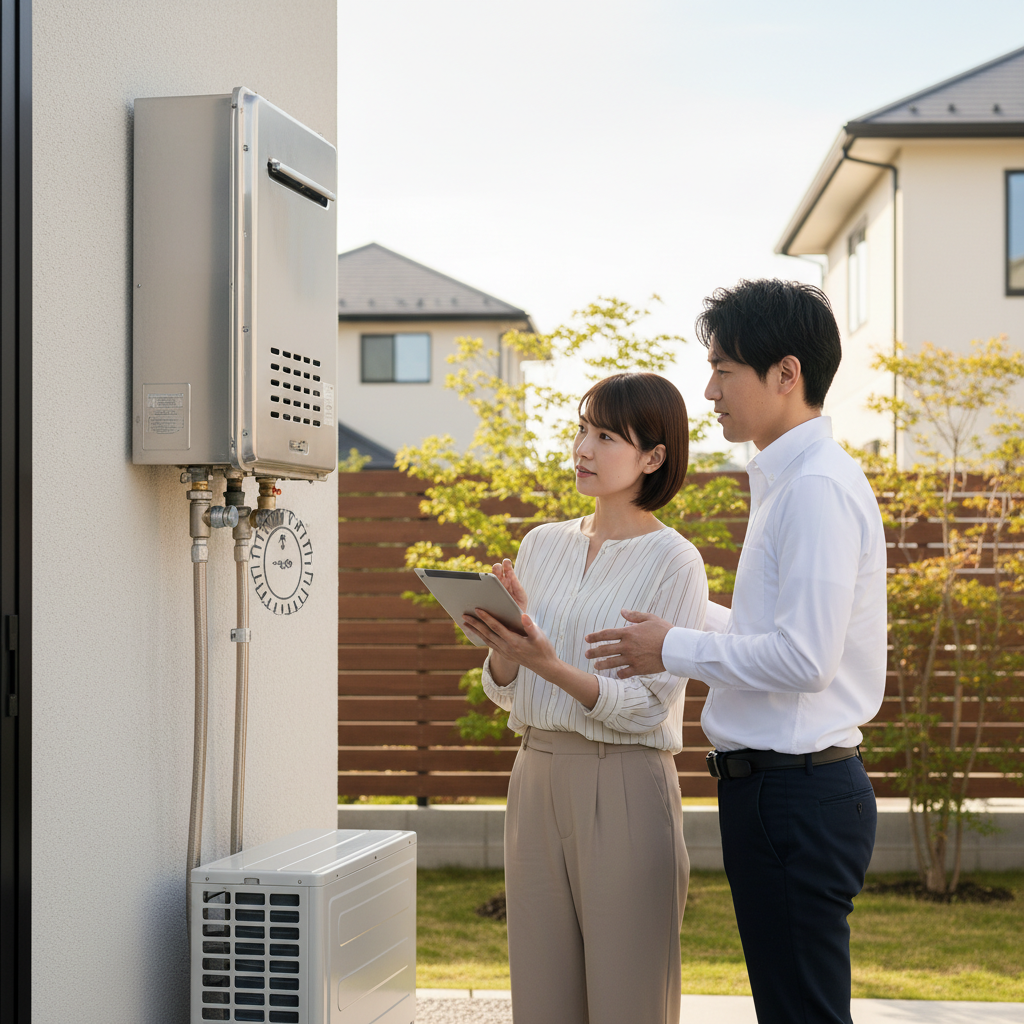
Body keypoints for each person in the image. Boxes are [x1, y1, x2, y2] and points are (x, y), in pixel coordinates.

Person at [584, 279, 887, 1024]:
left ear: (786, 375)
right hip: (779, 793)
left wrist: (674, 647)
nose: (709, 390)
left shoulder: (814, 488)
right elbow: (773, 639)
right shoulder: (790, 480)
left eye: (724, 369)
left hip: (795, 795)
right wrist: (681, 623)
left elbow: (805, 661)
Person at [462, 372, 707, 1024]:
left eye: (605, 435)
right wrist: (504, 644)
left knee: (630, 995)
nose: (583, 448)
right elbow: (504, 690)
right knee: (540, 995)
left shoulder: (674, 561)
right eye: (580, 429)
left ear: (653, 458)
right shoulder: (541, 543)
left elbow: (648, 705)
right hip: (535, 772)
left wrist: (550, 663)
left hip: (624, 782)